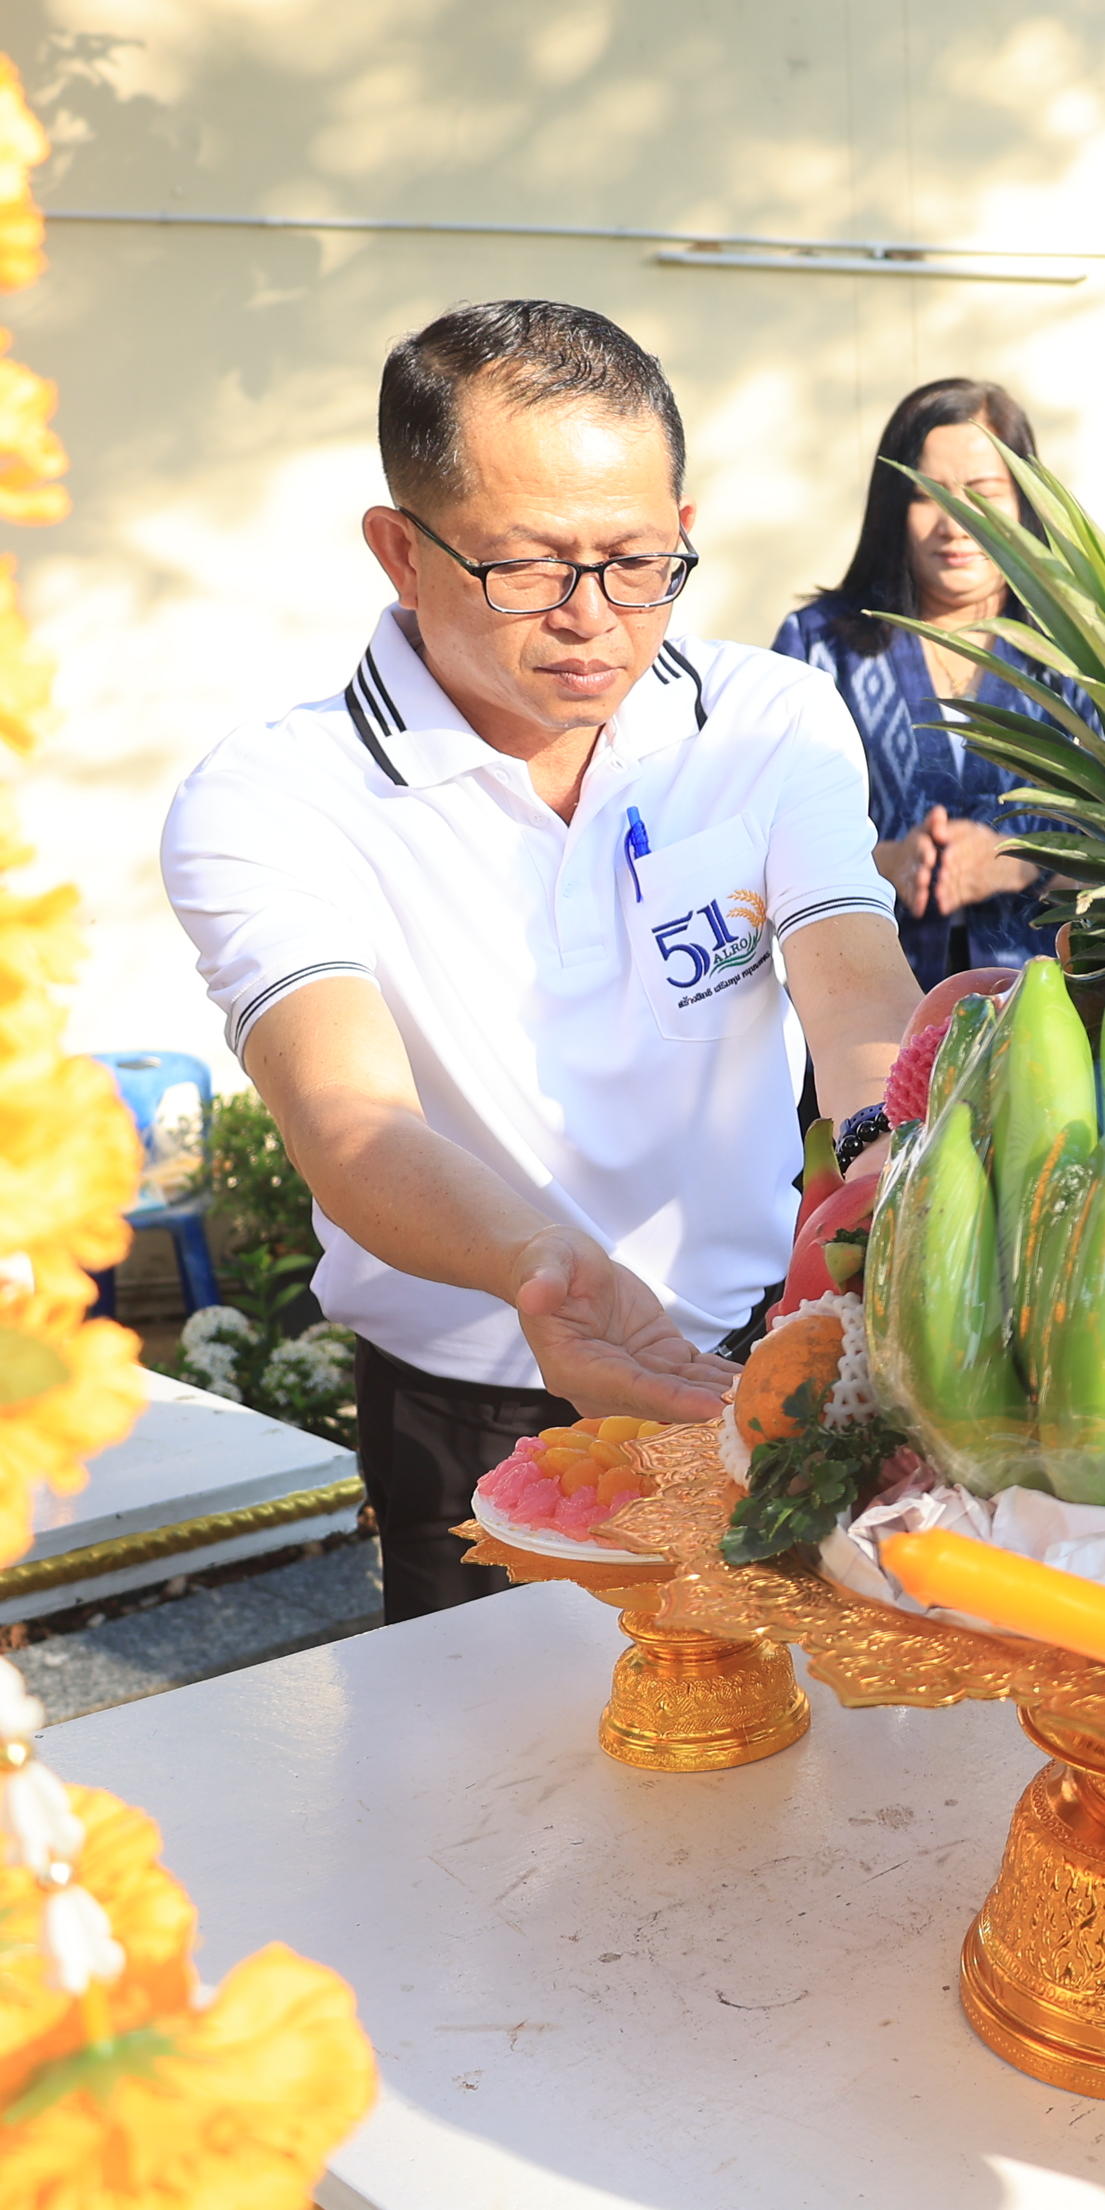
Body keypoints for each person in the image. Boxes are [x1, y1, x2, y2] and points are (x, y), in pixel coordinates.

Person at [164, 301, 924, 1621]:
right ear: (401, 550)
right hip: (468, 1399)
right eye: (526, 567)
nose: (594, 619)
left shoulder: (767, 720)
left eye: (636, 560)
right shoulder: (276, 793)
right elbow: (349, 1119)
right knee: (499, 1787)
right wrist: (545, 1268)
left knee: (797, 1774)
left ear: (686, 529)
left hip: (770, 1348)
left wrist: (883, 1157)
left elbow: (852, 978)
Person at [775, 378, 1072, 989]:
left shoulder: (1077, 651)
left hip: (1054, 1013)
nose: (956, 522)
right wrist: (883, 863)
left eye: (985, 492)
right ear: (892, 509)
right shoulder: (819, 646)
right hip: (862, 1009)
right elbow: (757, 842)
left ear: (1024, 501)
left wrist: (1018, 864)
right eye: (925, 494)